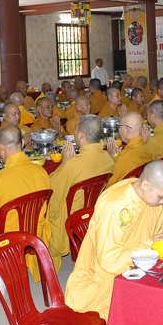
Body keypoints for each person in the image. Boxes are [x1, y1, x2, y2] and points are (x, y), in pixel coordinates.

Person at [65, 161, 163, 320]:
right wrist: (149, 246)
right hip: (104, 280)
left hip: (137, 270)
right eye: (161, 196)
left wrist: (157, 244)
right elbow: (109, 260)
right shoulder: (115, 206)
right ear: (145, 184)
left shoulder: (151, 200)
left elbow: (156, 233)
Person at [0, 126, 51, 281]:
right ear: (22, 142)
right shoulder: (41, 172)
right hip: (35, 235)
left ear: (1, 148)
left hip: (9, 242)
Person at [48, 115, 115, 271]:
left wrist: (64, 164)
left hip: (75, 214)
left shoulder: (73, 164)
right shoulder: (106, 157)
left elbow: (52, 190)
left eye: (76, 129)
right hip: (94, 209)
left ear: (80, 135)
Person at [106, 112, 153, 188]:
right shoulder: (148, 148)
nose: (119, 130)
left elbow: (108, 186)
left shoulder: (123, 158)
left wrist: (112, 159)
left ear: (127, 130)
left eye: (119, 127)